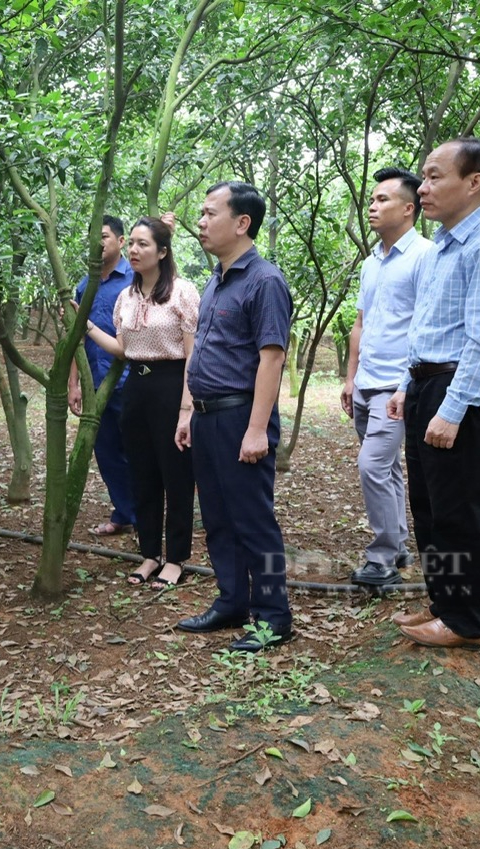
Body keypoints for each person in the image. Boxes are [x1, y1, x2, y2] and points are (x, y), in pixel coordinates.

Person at [385, 138, 480, 650]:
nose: (423, 187)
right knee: (426, 503)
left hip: (456, 388)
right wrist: (406, 386)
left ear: (474, 182)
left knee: (458, 509)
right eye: (423, 177)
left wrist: (452, 409)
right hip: (427, 383)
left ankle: (464, 620)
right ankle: (442, 600)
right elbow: (427, 328)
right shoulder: (443, 245)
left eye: (434, 176)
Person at [174, 181, 293, 653]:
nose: (200, 223)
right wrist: (188, 412)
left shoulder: (265, 280)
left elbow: (271, 358)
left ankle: (273, 618)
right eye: (200, 215)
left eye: (209, 214)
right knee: (219, 518)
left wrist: (258, 429)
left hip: (242, 417)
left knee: (253, 520)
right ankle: (232, 601)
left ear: (241, 223)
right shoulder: (216, 278)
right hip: (207, 418)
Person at [83, 215, 199, 589]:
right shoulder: (126, 297)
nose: (133, 250)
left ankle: (176, 558)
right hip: (136, 388)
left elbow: (191, 356)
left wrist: (186, 409)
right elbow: (123, 349)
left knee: (176, 476)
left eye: (142, 244)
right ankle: (149, 554)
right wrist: (86, 326)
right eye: (131, 243)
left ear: (162, 251)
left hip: (172, 387)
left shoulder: (183, 292)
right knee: (143, 475)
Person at [340, 168, 431, 588]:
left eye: (382, 200)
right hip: (365, 384)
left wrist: (404, 385)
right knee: (388, 467)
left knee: (372, 465)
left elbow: (426, 328)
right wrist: (349, 376)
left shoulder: (426, 257)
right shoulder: (371, 262)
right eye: (372, 200)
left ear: (409, 208)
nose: (372, 207)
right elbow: (361, 322)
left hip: (396, 385)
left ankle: (380, 560)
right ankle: (397, 546)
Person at [69, 215, 138, 536]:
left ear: (121, 242)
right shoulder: (86, 285)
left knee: (138, 452)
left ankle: (145, 517)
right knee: (107, 453)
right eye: (94, 236)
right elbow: (77, 338)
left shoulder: (136, 280)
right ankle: (124, 513)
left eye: (106, 236)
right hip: (96, 385)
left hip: (132, 383)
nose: (99, 242)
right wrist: (75, 383)